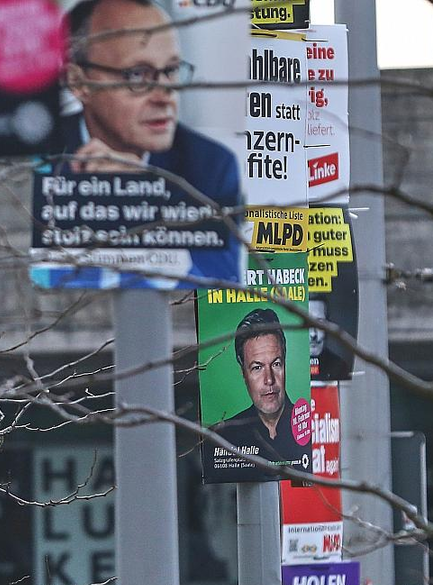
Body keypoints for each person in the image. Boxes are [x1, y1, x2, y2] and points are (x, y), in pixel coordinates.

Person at [60, 0, 242, 281]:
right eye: (137, 75)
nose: (164, 96)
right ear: (79, 82)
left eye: (170, 70)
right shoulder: (43, 157)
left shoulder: (211, 167)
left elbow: (218, 283)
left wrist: (143, 192)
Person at [210, 308, 309, 476]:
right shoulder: (221, 437)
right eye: (257, 368)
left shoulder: (311, 428)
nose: (269, 379)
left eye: (276, 364)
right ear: (244, 374)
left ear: (285, 364)